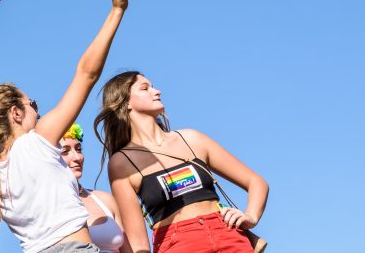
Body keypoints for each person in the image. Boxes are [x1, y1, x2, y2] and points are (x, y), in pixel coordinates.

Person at [0, 0, 131, 253]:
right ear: (15, 114)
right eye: (33, 105)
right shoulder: (36, 141)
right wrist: (117, 10)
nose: (39, 113)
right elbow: (87, 74)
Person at [94, 72, 269, 253]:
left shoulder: (192, 139)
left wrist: (251, 216)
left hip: (228, 235)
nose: (157, 91)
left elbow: (256, 181)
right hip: (177, 244)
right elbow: (138, 245)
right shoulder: (121, 163)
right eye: (145, 88)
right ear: (126, 102)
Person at [60, 124, 128, 253]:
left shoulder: (105, 200)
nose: (77, 157)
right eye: (65, 151)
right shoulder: (47, 207)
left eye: (79, 149)